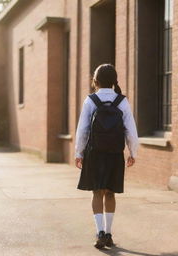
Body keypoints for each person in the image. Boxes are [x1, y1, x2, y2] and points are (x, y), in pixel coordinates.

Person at [75, 64, 138, 249]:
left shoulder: (91, 100)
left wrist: (79, 153)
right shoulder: (122, 101)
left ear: (95, 81)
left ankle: (99, 232)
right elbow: (131, 131)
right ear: (114, 81)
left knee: (97, 192)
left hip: (95, 153)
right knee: (110, 192)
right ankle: (109, 234)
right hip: (115, 154)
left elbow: (82, 130)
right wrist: (133, 152)